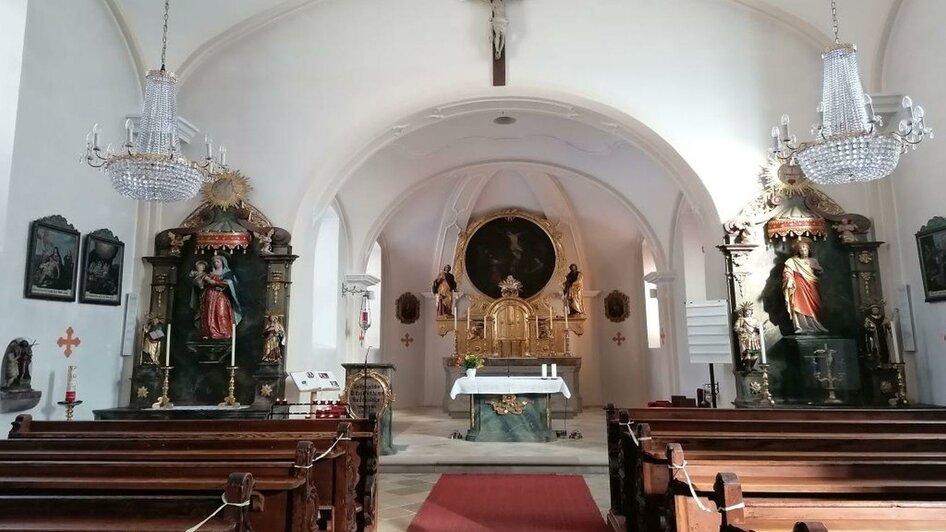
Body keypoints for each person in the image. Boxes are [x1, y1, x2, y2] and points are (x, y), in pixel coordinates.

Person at [782, 238, 829, 334]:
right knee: (799, 303)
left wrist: (818, 269)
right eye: (802, 250)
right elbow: (787, 272)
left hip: (812, 285)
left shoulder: (813, 260)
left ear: (809, 250)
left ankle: (817, 325)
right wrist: (790, 279)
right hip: (799, 285)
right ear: (798, 251)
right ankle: (801, 326)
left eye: (806, 249)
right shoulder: (792, 261)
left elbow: (820, 272)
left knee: (815, 304)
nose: (804, 251)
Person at [196, 255, 242, 340]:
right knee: (208, 313)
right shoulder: (210, 274)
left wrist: (215, 282)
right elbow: (201, 285)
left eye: (218, 262)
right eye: (214, 262)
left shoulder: (227, 273)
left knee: (221, 313)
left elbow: (230, 283)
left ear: (223, 263)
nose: (216, 264)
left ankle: (223, 332)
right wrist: (203, 280)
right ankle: (209, 332)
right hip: (209, 295)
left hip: (221, 296)